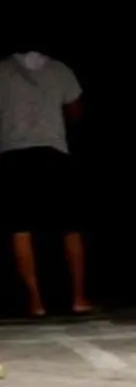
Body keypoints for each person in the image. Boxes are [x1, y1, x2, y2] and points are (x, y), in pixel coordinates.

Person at [0, 48, 89, 318]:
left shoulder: (2, 70)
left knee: (21, 227)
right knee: (69, 226)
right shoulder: (60, 69)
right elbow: (75, 111)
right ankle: (78, 297)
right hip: (53, 150)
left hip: (14, 152)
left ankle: (35, 301)